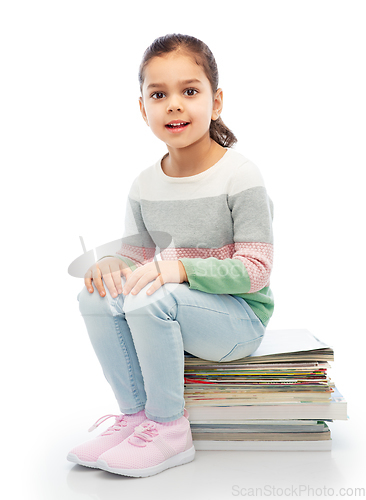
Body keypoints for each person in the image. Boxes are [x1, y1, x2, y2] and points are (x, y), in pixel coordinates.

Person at [67, 33, 274, 478]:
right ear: (143, 108)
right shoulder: (145, 184)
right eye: (159, 94)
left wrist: (178, 269)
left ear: (216, 102)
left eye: (190, 91)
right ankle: (136, 417)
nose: (174, 104)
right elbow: (136, 257)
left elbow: (256, 271)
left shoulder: (240, 175)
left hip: (239, 321)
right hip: (181, 308)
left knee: (151, 294)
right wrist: (112, 266)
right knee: (96, 296)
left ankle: (169, 429)